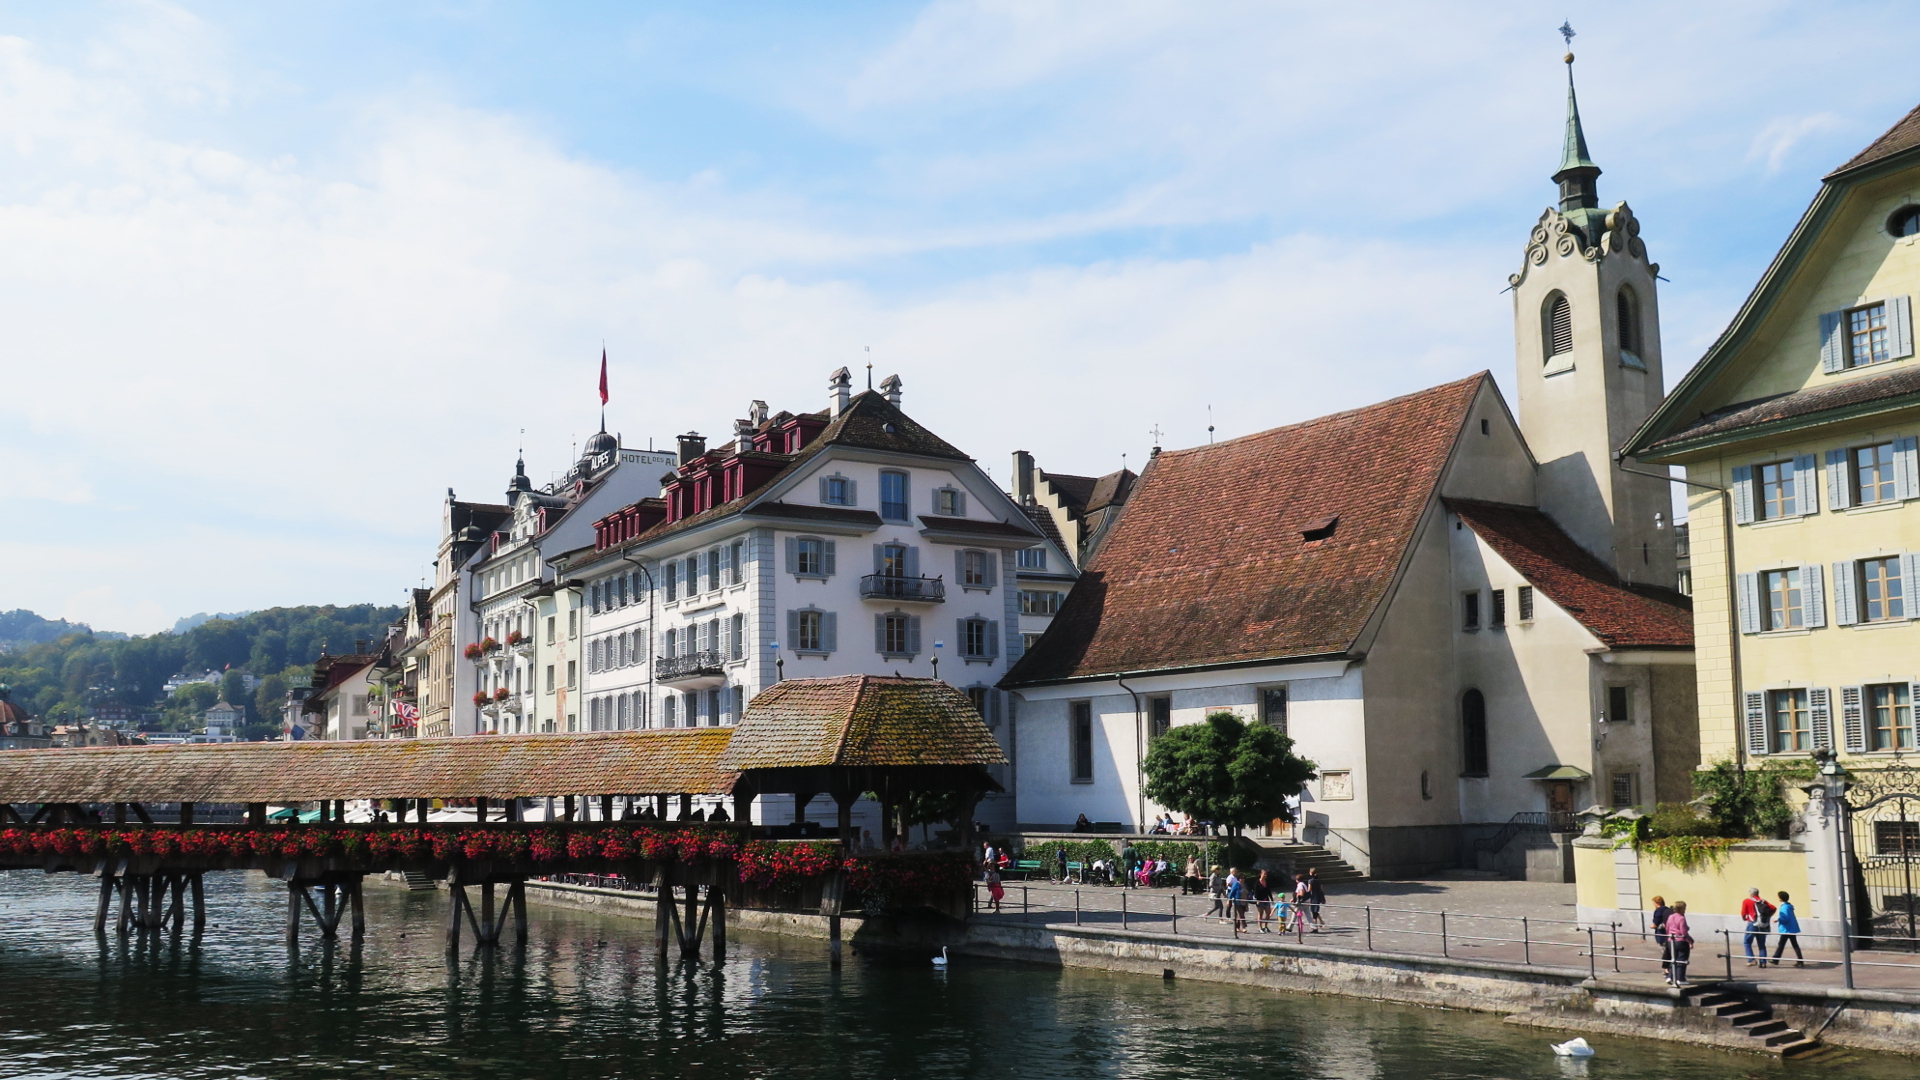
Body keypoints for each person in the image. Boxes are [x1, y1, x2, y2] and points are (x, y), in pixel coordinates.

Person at [1740, 887, 1774, 968]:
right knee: (1762, 944)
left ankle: (1751, 960)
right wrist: (1768, 916)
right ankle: (1763, 962)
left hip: (1752, 923)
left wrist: (1745, 918)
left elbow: (1744, 913)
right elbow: (1773, 908)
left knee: (1747, 942)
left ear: (1751, 893)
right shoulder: (1763, 901)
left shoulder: (1747, 901)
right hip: (1762, 924)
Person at [1772, 891, 1805, 967]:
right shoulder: (1788, 906)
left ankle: (1776, 959)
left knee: (1782, 944)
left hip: (1787, 929)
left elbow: (1785, 918)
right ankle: (1800, 960)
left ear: (1780, 898)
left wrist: (1778, 919)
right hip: (1791, 928)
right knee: (1793, 944)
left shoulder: (1784, 907)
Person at [1665, 901, 1694, 986]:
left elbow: (1667, 928)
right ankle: (1680, 979)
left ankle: (1670, 976)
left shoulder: (1670, 917)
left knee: (1673, 958)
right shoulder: (1681, 918)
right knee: (1682, 959)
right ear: (1682, 909)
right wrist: (1690, 940)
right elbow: (1683, 932)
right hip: (1680, 941)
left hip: (1671, 940)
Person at [1649, 895, 1674, 983]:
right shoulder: (1667, 909)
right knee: (1670, 951)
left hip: (1662, 934)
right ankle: (1670, 968)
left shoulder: (1658, 911)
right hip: (1669, 933)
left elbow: (1656, 923)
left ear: (1657, 903)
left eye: (1654, 903)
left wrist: (1652, 926)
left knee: (1664, 951)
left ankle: (1667, 969)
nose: (1654, 905)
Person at [1225, 867, 1247, 932]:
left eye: (1243, 878)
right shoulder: (1236, 884)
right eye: (1241, 878)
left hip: (1244, 902)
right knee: (1241, 915)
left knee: (1239, 915)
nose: (1242, 879)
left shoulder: (1244, 885)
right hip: (1237, 902)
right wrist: (1229, 900)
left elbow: (1247, 893)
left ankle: (1237, 927)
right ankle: (1244, 928)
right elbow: (1232, 892)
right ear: (1238, 879)